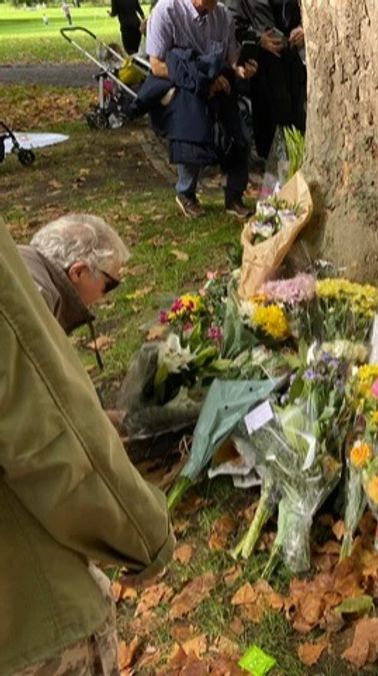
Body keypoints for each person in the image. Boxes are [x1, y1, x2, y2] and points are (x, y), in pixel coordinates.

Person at [0, 223, 175, 676]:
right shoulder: (29, 297)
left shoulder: (27, 268)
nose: (109, 295)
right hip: (25, 610)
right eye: (110, 284)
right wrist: (147, 537)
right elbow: (45, 438)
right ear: (78, 271)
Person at [145, 0, 258, 219]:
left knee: (240, 135)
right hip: (180, 85)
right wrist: (201, 79)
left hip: (218, 82)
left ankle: (234, 196)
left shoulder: (222, 15)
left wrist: (241, 68)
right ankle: (186, 193)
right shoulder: (166, 11)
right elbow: (157, 65)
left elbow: (231, 56)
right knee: (193, 132)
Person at [18, 214, 128, 369]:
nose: (105, 296)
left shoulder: (21, 265)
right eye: (109, 285)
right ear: (78, 273)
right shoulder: (36, 300)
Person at [226, 0, 307, 159]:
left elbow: (307, 12)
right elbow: (233, 22)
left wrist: (304, 29)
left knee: (298, 120)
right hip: (262, 65)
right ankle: (275, 171)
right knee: (273, 126)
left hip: (292, 59)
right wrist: (259, 38)